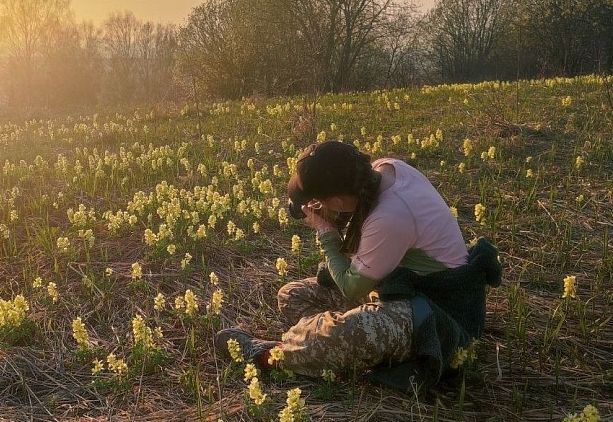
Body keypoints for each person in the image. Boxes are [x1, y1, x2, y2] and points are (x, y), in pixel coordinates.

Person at [215, 140, 502, 390]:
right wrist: (334, 214)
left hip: (439, 313)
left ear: (338, 199)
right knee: (292, 295)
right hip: (402, 289)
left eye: (320, 201)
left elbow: (352, 287)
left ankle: (271, 355)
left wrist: (326, 232)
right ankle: (331, 343)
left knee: (349, 331)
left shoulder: (391, 215)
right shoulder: (387, 168)